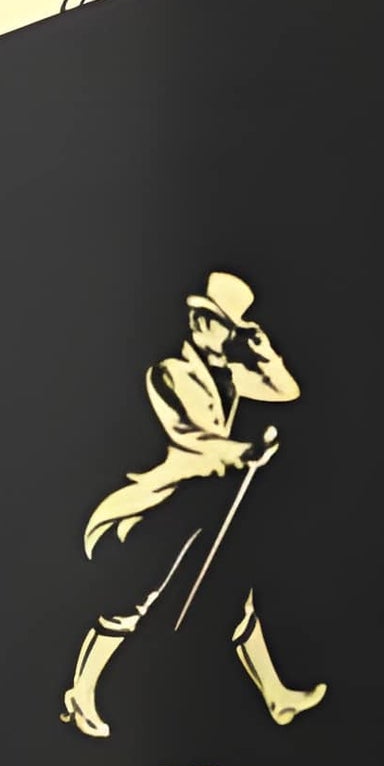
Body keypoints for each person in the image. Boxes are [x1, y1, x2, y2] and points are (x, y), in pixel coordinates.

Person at [61, 272, 327, 738]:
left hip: (208, 506)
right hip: (166, 503)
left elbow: (287, 390)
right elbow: (193, 442)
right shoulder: (170, 371)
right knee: (133, 598)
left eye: (218, 320)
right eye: (201, 316)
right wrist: (243, 452)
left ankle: (276, 696)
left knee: (238, 597)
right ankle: (81, 694)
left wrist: (262, 346)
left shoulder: (233, 376)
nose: (204, 325)